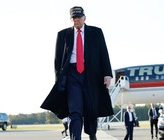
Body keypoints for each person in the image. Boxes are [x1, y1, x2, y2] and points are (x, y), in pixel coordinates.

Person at [40, 6, 113, 140]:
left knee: (91, 109)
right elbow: (57, 60)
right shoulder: (63, 34)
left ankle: (92, 134)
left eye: (79, 17)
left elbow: (104, 53)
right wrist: (59, 81)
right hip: (71, 75)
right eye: (74, 18)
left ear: (85, 17)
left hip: (91, 75)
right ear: (71, 19)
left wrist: (107, 74)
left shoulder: (96, 32)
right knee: (75, 111)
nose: (76, 20)